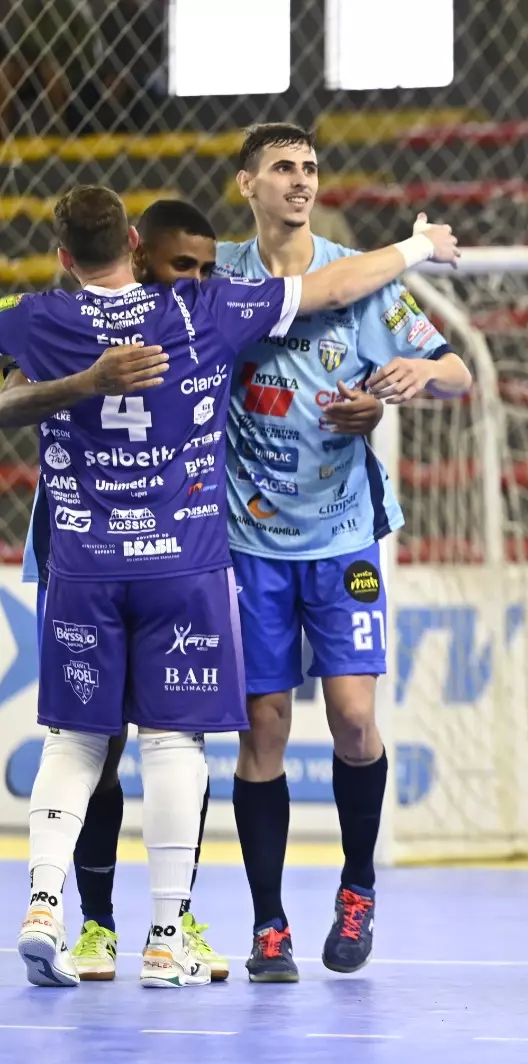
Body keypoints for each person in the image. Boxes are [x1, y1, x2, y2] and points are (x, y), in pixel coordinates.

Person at [0, 183, 458, 988]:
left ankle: (53, 907)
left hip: (101, 559)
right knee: (167, 743)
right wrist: (420, 247)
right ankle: (150, 931)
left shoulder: (40, 315)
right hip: (186, 561)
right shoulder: (201, 311)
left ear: (65, 255)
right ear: (134, 244)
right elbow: (332, 287)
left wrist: (77, 385)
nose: (193, 274)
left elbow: (350, 296)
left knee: (85, 742)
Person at [218, 123, 473, 983]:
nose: (300, 181)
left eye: (311, 168)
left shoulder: (367, 281)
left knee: (355, 720)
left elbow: (457, 373)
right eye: (283, 168)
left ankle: (357, 888)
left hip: (342, 538)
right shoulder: (218, 277)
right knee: (265, 729)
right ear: (246, 183)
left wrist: (407, 384)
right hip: (248, 543)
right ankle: (267, 924)